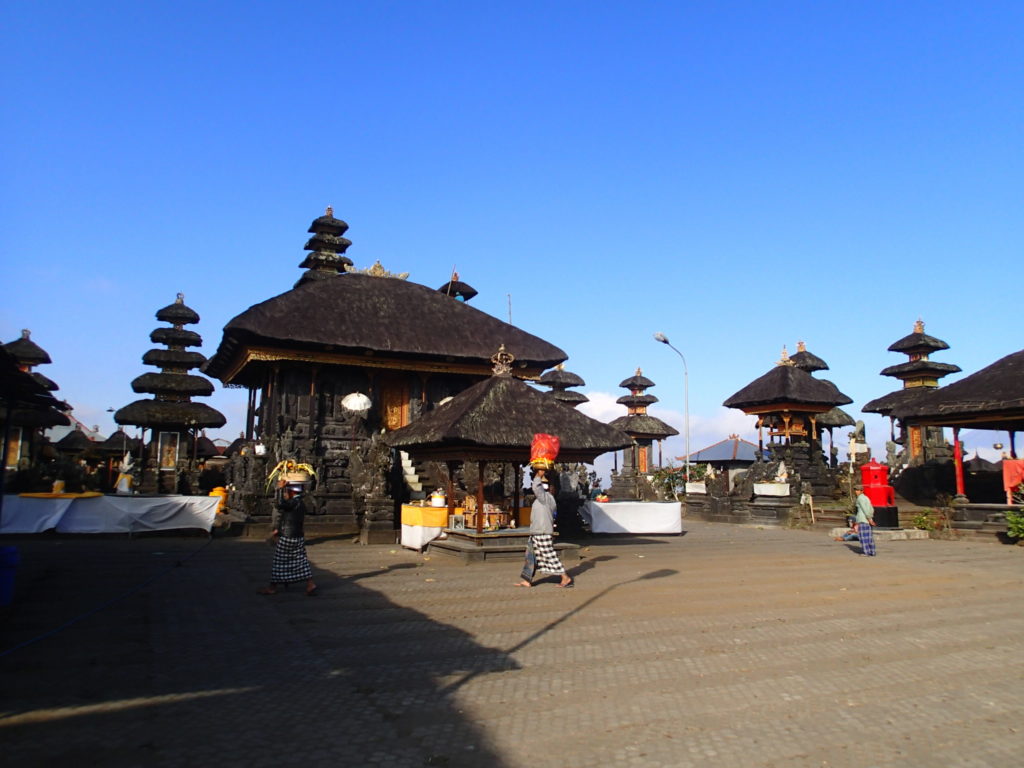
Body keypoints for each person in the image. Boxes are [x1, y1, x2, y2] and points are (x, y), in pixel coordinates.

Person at [515, 467, 573, 588]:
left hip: (542, 531)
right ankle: (527, 579)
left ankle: (565, 577)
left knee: (548, 554)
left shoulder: (546, 498)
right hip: (536, 531)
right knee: (530, 555)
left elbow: (536, 488)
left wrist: (539, 475)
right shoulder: (544, 499)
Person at [259, 479, 318, 596]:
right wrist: (278, 529)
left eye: (287, 491)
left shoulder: (294, 502)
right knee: (301, 560)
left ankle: (272, 587)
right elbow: (288, 517)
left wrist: (279, 489)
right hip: (298, 535)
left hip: (288, 536)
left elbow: (279, 504)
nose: (286, 494)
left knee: (279, 561)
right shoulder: (300, 503)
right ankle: (310, 583)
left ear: (292, 492)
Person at [854, 485, 876, 556]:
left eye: (858, 490)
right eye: (856, 490)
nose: (856, 492)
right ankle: (872, 551)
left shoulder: (860, 498)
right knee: (869, 537)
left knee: (863, 537)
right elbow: (871, 508)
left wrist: (869, 518)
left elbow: (864, 509)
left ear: (862, 491)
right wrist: (871, 518)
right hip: (868, 519)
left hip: (863, 519)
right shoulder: (866, 498)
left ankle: (866, 552)